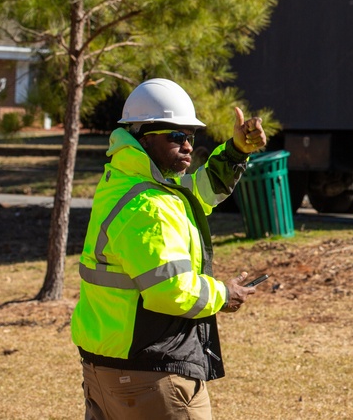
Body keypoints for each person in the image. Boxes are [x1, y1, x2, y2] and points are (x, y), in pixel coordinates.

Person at [71, 78, 268, 420]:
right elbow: (170, 291)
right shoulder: (149, 205)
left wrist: (236, 151)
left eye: (190, 136)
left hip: (107, 369)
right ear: (144, 137)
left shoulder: (124, 182)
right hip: (152, 375)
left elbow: (198, 193)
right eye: (176, 136)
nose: (188, 145)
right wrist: (223, 293)